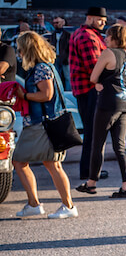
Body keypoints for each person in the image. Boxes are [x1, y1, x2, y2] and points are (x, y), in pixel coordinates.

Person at [11, 31, 76, 219]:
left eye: (20, 48)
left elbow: (46, 94)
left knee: (25, 162)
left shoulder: (40, 69)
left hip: (41, 124)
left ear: (27, 49)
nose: (19, 52)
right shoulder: (45, 66)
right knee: (48, 163)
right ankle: (38, 204)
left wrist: (25, 96)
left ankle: (65, 206)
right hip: (44, 123)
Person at [77, 23, 126, 198]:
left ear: (115, 38)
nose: (105, 39)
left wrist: (98, 83)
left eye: (108, 36)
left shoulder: (108, 53)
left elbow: (93, 77)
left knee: (98, 143)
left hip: (108, 102)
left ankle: (91, 183)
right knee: (119, 146)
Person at [70, 6, 108, 184]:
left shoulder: (82, 33)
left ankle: (90, 169)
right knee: (94, 131)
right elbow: (94, 66)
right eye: (100, 19)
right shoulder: (87, 36)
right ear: (90, 18)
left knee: (92, 131)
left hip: (85, 88)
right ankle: (90, 170)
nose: (103, 22)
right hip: (90, 88)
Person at [50, 16, 70, 88]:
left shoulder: (67, 35)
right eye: (54, 23)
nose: (55, 24)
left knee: (67, 77)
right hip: (55, 58)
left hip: (65, 58)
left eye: (57, 22)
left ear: (62, 23)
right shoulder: (53, 34)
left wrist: (68, 57)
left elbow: (70, 47)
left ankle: (68, 92)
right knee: (56, 77)